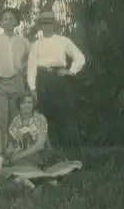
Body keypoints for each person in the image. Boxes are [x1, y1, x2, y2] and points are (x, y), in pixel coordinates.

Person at [27, 11, 86, 148]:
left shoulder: (63, 40)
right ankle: (50, 154)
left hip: (60, 80)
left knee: (64, 115)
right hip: (43, 81)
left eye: (49, 23)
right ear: (40, 26)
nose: (46, 27)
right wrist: (32, 88)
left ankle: (69, 152)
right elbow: (31, 68)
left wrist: (70, 71)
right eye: (43, 24)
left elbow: (80, 58)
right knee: (45, 116)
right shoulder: (36, 45)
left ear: (54, 25)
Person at [2, 92, 83, 186]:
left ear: (33, 105)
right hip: (26, 156)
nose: (27, 105)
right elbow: (14, 144)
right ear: (19, 105)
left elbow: (40, 145)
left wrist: (19, 156)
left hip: (42, 153)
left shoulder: (40, 119)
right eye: (23, 103)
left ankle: (41, 178)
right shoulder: (15, 121)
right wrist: (11, 154)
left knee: (52, 165)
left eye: (29, 103)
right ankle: (42, 179)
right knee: (14, 166)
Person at [0, 8, 31, 154]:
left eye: (11, 19)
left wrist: (25, 69)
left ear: (16, 22)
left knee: (17, 117)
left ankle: (18, 150)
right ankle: (2, 151)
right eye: (4, 19)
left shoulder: (23, 41)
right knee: (1, 118)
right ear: (1, 22)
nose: (7, 21)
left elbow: (33, 56)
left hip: (16, 82)